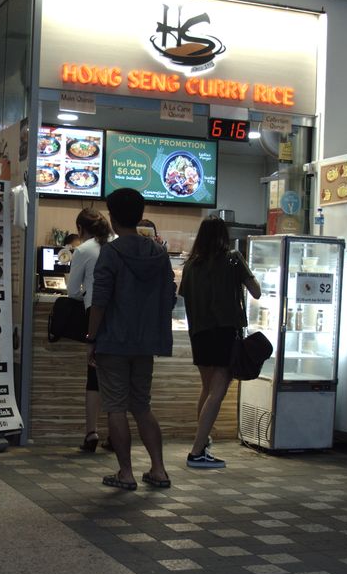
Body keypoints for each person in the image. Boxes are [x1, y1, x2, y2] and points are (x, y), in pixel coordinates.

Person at [87, 188, 176, 491]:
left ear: (112, 217)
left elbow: (99, 301)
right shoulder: (159, 254)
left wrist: (92, 336)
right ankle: (159, 470)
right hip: (146, 342)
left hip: (114, 340)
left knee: (115, 406)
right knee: (142, 405)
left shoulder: (111, 253)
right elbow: (169, 297)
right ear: (139, 215)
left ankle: (126, 473)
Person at [178, 217, 260, 469]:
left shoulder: (191, 264)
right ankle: (196, 451)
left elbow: (184, 296)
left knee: (207, 389)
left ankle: (203, 443)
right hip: (224, 332)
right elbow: (256, 291)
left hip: (199, 333)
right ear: (224, 235)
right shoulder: (234, 258)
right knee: (218, 392)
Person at [66, 207, 111, 452]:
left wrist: (85, 291)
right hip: (122, 317)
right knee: (117, 377)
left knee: (94, 377)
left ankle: (91, 433)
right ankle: (116, 434)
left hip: (95, 315)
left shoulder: (84, 250)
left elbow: (73, 291)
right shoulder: (117, 245)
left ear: (81, 229)